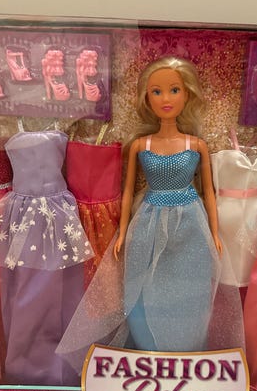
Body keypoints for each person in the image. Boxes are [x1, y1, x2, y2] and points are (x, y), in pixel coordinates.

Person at [56, 56, 244, 372]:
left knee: (189, 292)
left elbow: (209, 192)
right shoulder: (140, 145)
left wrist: (213, 233)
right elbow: (129, 190)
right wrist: (123, 231)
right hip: (149, 220)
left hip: (190, 223)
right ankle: (150, 353)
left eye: (174, 90)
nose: (165, 98)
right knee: (144, 290)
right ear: (146, 97)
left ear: (187, 94)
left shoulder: (196, 145)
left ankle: (186, 355)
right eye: (157, 91)